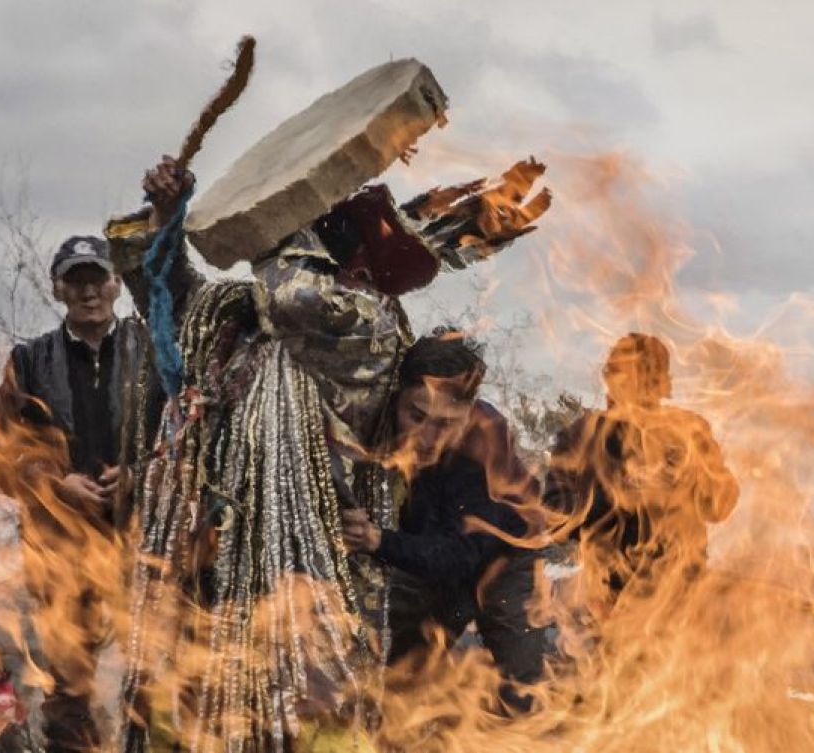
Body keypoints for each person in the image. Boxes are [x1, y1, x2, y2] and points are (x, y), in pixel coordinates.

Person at [109, 154, 549, 751]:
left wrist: (282, 226)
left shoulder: (367, 338)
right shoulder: (241, 325)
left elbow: (295, 298)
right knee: (202, 704)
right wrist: (167, 212)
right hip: (232, 552)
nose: (424, 432)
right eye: (417, 416)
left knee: (329, 710)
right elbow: (171, 297)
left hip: (349, 572)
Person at [0, 235, 165, 753]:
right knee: (69, 688)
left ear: (115, 283)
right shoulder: (29, 361)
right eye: (76, 281)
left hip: (143, 539)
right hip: (60, 550)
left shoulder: (153, 351)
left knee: (153, 669)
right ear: (59, 288)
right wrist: (55, 482)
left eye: (97, 279)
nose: (89, 292)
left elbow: (186, 436)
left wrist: (139, 474)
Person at [340, 329, 548, 696]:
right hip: (433, 547)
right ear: (397, 397)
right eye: (416, 416)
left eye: (446, 424)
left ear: (467, 413)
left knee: (520, 680)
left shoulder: (485, 443)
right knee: (400, 674)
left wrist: (377, 540)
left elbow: (461, 556)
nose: (428, 437)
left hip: (503, 553)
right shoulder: (374, 420)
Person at [543, 332, 740, 611]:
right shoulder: (580, 438)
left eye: (651, 377)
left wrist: (694, 481)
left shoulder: (690, 431)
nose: (640, 387)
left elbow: (719, 508)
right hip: (611, 596)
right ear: (610, 380)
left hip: (683, 592)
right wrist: (617, 500)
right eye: (631, 376)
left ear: (663, 383)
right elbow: (553, 514)